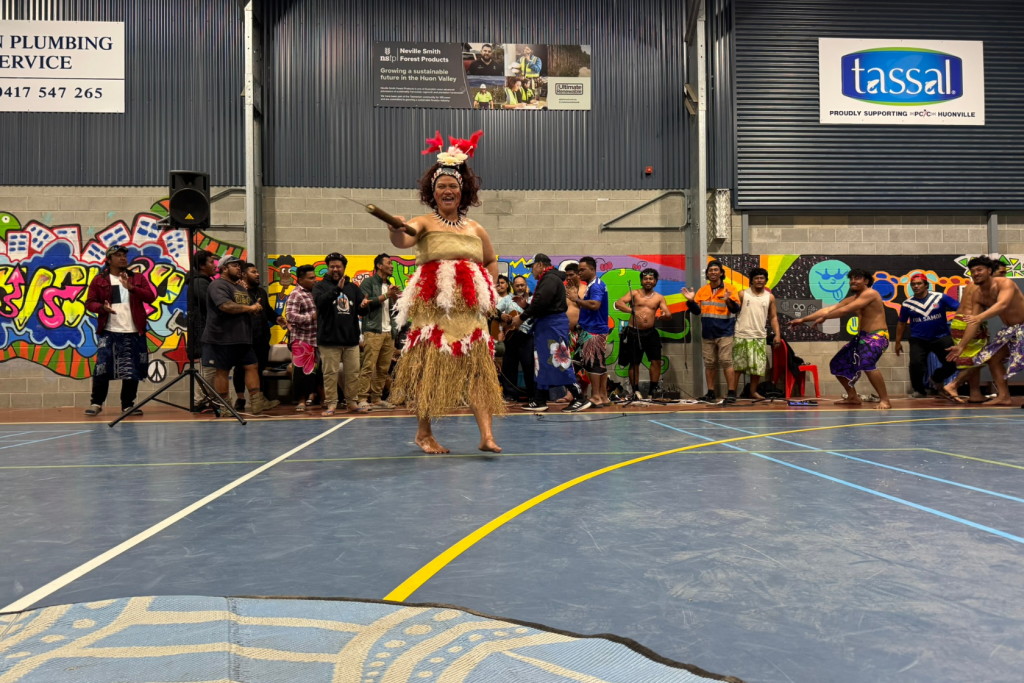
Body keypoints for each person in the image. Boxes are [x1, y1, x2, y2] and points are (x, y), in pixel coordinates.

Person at [388, 130, 505, 453]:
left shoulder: (475, 228)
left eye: (453, 185)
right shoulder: (423, 222)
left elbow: (491, 260)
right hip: (435, 311)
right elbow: (404, 240)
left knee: (480, 373)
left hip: (469, 312)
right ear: (432, 191)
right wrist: (394, 228)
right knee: (430, 370)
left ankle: (486, 435)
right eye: (441, 186)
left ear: (463, 190)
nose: (447, 190)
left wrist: (488, 292)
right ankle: (423, 433)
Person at [791, 268, 892, 410]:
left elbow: (844, 311)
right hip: (862, 337)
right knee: (837, 364)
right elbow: (829, 309)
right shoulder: (854, 298)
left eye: (857, 278)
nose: (853, 281)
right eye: (851, 279)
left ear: (866, 281)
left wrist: (824, 318)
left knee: (866, 362)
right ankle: (853, 397)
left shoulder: (871, 293)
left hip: (877, 336)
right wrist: (803, 320)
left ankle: (885, 400)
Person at [84, 245, 157, 417]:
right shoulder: (99, 280)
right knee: (102, 368)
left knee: (132, 369)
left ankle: (127, 405)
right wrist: (102, 307)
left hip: (134, 330)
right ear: (108, 260)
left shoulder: (137, 278)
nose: (123, 258)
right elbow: (89, 303)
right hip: (109, 330)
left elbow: (151, 297)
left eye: (124, 255)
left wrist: (132, 288)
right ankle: (96, 403)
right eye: (117, 255)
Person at [512, 254, 591, 413]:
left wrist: (522, 317)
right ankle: (539, 399)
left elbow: (541, 303)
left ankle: (579, 397)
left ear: (540, 265)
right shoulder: (549, 278)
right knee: (542, 363)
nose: (531, 271)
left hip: (552, 326)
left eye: (532, 267)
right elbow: (544, 305)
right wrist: (527, 306)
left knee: (559, 361)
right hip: (546, 325)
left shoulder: (549, 278)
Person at [202, 255, 280, 415]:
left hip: (243, 337)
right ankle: (225, 406)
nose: (239, 268)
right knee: (222, 371)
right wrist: (250, 309)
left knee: (252, 367)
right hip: (222, 337)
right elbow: (225, 306)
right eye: (234, 265)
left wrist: (255, 308)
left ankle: (257, 402)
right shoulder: (217, 285)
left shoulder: (240, 288)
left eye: (239, 265)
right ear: (224, 268)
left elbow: (244, 308)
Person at [945, 256, 1024, 406]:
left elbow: (1002, 304)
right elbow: (973, 323)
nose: (976, 273)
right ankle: (1004, 396)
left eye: (979, 270)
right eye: (972, 271)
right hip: (1010, 330)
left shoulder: (1006, 283)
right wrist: (961, 346)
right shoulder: (978, 295)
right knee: (992, 358)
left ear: (989, 271)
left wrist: (979, 317)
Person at [314, 253, 368, 415]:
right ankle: (331, 404)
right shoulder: (320, 286)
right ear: (328, 268)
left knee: (353, 373)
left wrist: (365, 306)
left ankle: (352, 402)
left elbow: (360, 309)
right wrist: (337, 289)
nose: (335, 269)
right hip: (329, 339)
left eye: (338, 266)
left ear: (344, 268)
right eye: (332, 267)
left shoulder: (353, 288)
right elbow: (320, 303)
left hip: (350, 339)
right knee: (330, 374)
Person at [682, 260, 741, 403]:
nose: (713, 272)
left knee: (726, 362)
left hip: (725, 332)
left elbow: (736, 309)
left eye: (716, 270)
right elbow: (696, 312)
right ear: (707, 274)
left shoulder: (730, 289)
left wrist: (728, 300)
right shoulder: (703, 290)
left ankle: (731, 392)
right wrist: (690, 301)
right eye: (710, 270)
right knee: (709, 363)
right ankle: (710, 393)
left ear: (721, 273)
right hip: (707, 334)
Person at [893, 273, 959, 398]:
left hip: (941, 337)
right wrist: (897, 342)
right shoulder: (907, 304)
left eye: (919, 284)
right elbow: (901, 323)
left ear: (926, 285)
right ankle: (919, 390)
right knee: (916, 364)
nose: (916, 286)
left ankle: (936, 377)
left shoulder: (940, 297)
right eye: (913, 284)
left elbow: (959, 308)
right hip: (919, 339)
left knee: (953, 362)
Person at [615, 268, 671, 398]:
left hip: (651, 333)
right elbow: (619, 303)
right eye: (645, 278)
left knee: (656, 361)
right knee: (634, 363)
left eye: (651, 279)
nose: (648, 281)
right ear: (641, 280)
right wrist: (631, 310)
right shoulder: (634, 293)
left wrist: (665, 316)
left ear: (655, 281)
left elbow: (668, 314)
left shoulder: (659, 298)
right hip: (634, 332)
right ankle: (635, 391)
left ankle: (653, 391)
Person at [232, 262, 279, 410]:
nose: (257, 274)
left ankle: (260, 400)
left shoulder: (261, 292)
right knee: (240, 368)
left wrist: (277, 318)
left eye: (257, 272)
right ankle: (240, 399)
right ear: (244, 275)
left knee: (260, 369)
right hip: (245, 337)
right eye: (253, 272)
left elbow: (268, 311)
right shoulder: (237, 292)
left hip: (262, 337)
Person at [357, 253, 400, 410]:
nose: (391, 266)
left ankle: (376, 398)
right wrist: (386, 295)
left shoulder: (389, 284)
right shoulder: (368, 283)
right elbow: (366, 304)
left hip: (389, 332)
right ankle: (362, 398)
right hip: (373, 331)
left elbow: (394, 309)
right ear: (379, 266)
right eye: (388, 263)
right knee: (368, 365)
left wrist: (394, 297)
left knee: (383, 368)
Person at [734, 267, 781, 400]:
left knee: (758, 368)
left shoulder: (770, 297)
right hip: (741, 334)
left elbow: (773, 318)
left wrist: (777, 334)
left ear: (766, 280)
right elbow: (733, 311)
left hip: (759, 336)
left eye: (762, 278)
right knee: (738, 367)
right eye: (756, 278)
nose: (759, 280)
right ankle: (732, 393)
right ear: (752, 281)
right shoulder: (743, 294)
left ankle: (753, 392)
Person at [571, 257, 611, 407]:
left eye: (582, 270)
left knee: (592, 363)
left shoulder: (596, 286)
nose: (579, 273)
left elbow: (595, 305)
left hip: (593, 331)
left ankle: (596, 397)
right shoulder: (593, 285)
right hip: (595, 330)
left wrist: (577, 300)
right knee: (599, 364)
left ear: (592, 269)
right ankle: (603, 396)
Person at [286, 264, 321, 411]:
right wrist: (311, 317)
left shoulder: (316, 292)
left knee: (318, 371)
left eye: (315, 277)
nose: (314, 280)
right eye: (311, 278)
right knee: (301, 372)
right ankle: (301, 400)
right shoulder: (296, 294)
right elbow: (290, 316)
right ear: (300, 279)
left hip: (317, 338)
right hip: (301, 338)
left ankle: (318, 399)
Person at [187, 249, 218, 404]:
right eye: (211, 262)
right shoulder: (200, 282)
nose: (215, 265)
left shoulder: (205, 282)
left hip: (207, 332)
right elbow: (211, 305)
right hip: (204, 333)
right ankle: (201, 400)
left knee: (211, 369)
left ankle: (207, 399)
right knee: (208, 368)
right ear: (201, 265)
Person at [497, 275, 535, 402]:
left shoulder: (532, 299)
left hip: (527, 336)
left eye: (522, 285)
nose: (520, 287)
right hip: (511, 337)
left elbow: (537, 313)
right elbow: (494, 311)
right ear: (513, 286)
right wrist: (502, 315)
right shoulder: (507, 299)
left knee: (529, 366)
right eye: (517, 285)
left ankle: (532, 394)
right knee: (509, 366)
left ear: (526, 286)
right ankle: (510, 394)